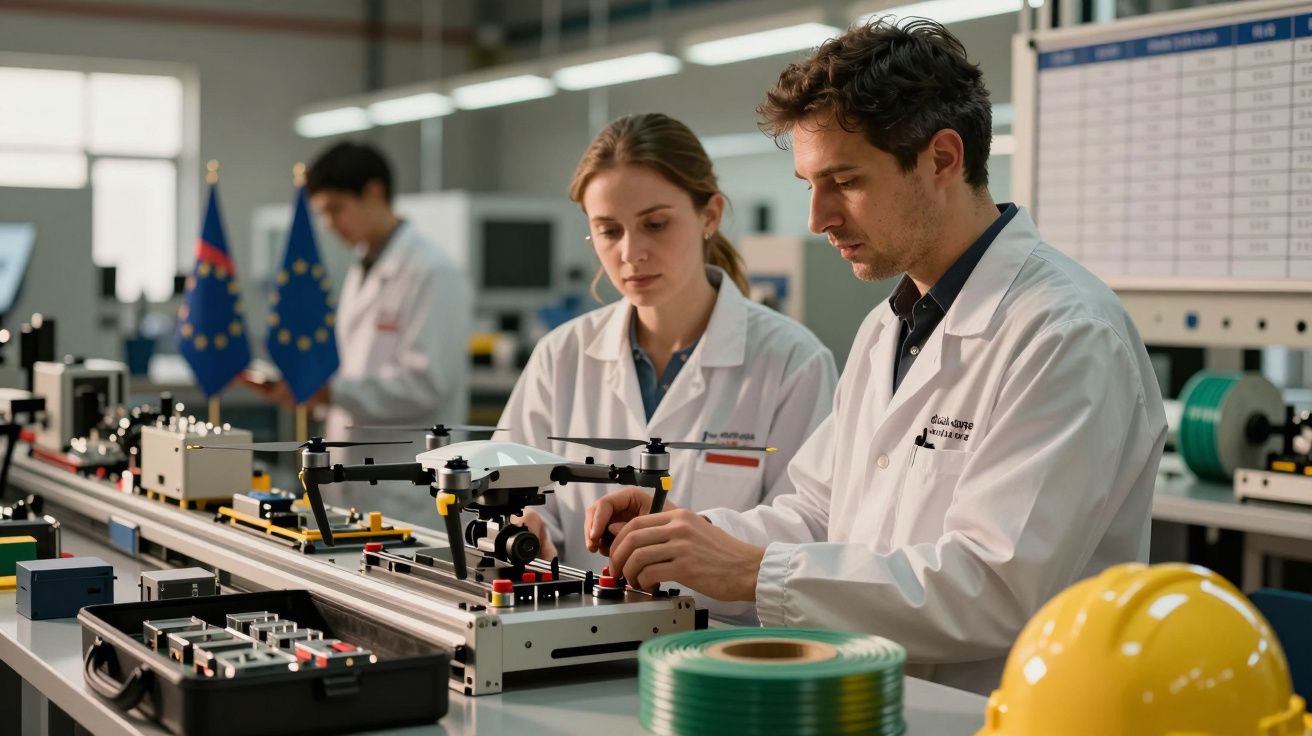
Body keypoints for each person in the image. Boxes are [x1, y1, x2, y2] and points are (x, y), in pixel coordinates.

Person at [586, 20, 1167, 694]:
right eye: (809, 183)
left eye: (844, 180)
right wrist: (690, 538)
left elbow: (994, 586)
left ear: (943, 159)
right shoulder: (888, 328)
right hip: (881, 702)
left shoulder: (1065, 334)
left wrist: (750, 573)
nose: (818, 217)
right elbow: (817, 512)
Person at [496, 113, 837, 578]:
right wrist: (524, 523)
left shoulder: (793, 362)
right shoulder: (562, 356)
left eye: (655, 224)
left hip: (719, 637)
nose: (631, 253)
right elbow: (506, 486)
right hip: (572, 631)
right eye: (609, 230)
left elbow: (810, 525)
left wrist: (695, 540)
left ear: (709, 215)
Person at [254, 141, 472, 522]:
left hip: (407, 485)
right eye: (322, 214)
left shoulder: (433, 272)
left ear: (374, 192)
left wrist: (331, 389)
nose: (328, 224)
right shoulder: (363, 265)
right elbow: (355, 367)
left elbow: (427, 384)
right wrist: (312, 391)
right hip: (355, 476)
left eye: (336, 209)